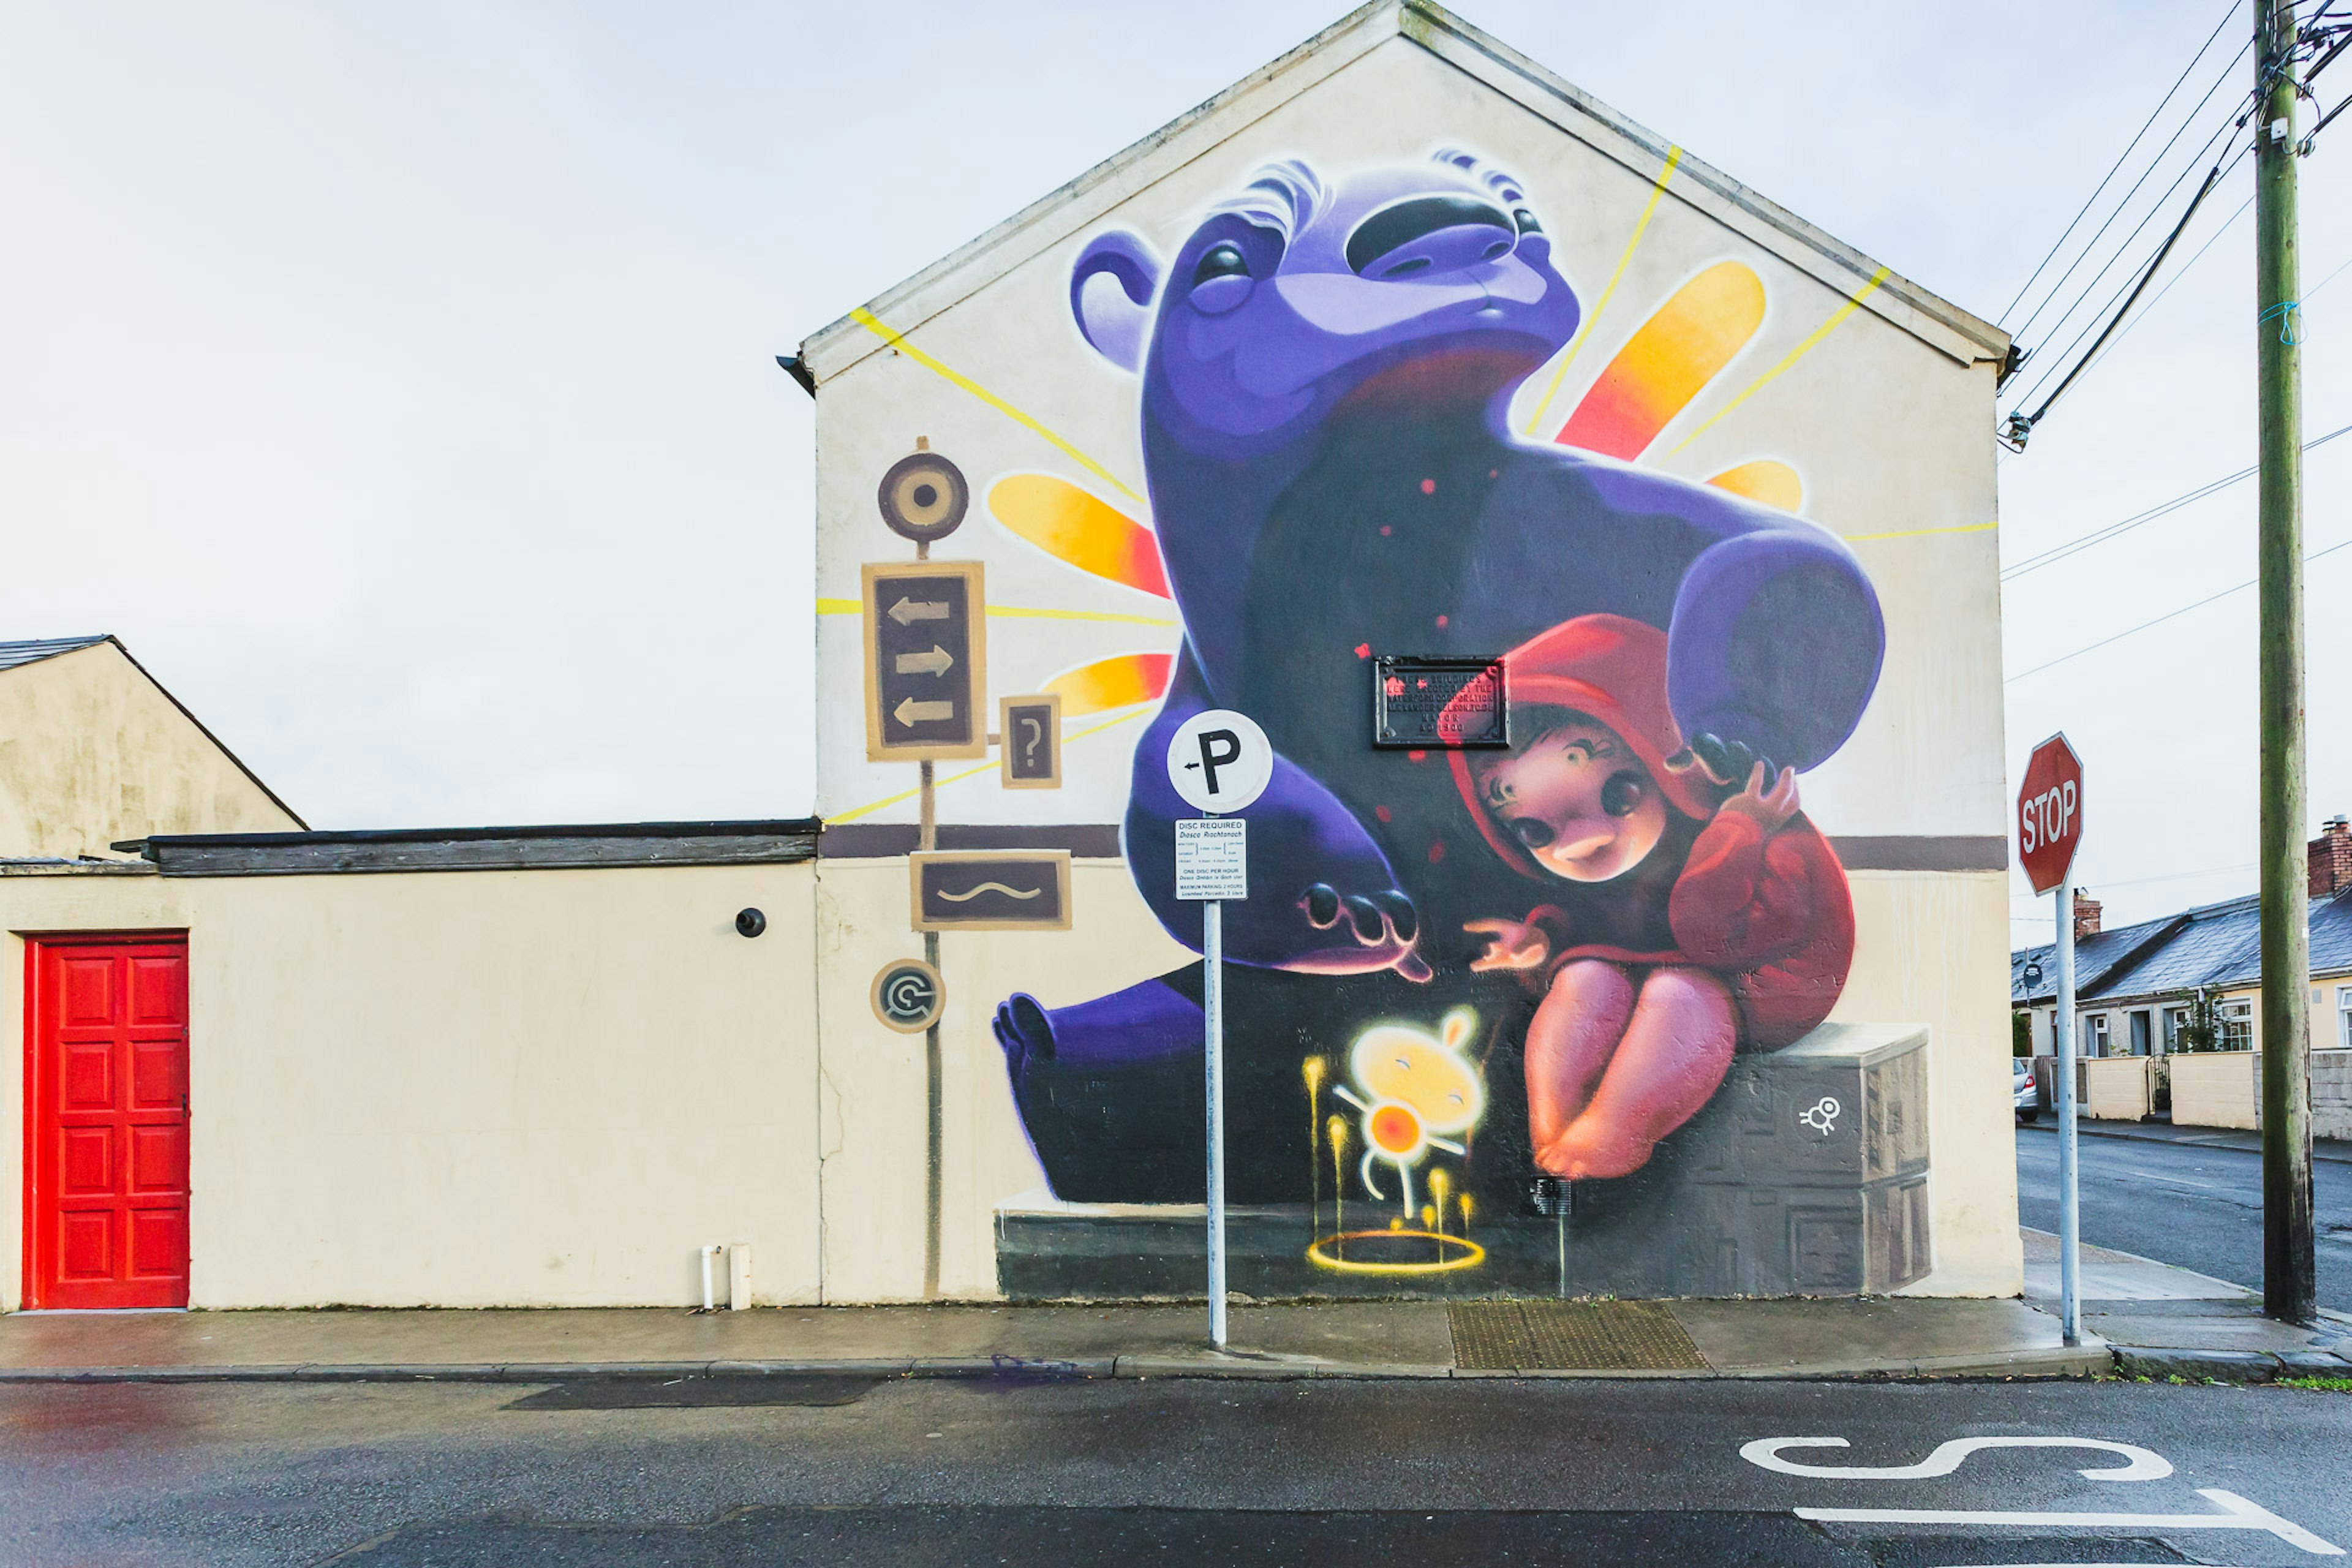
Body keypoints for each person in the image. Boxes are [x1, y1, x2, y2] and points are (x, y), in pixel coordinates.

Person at [1444, 615, 1854, 1181]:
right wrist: (1545, 940)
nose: (1579, 842)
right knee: (1583, 980)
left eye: (1618, 793)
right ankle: (1554, 1126)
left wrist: (1738, 829)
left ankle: (1619, 1126)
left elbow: (1714, 936)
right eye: (1535, 832)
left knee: (1679, 992)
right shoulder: (1622, 863)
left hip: (1755, 981)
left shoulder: (1761, 822)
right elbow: (1603, 922)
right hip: (1654, 965)